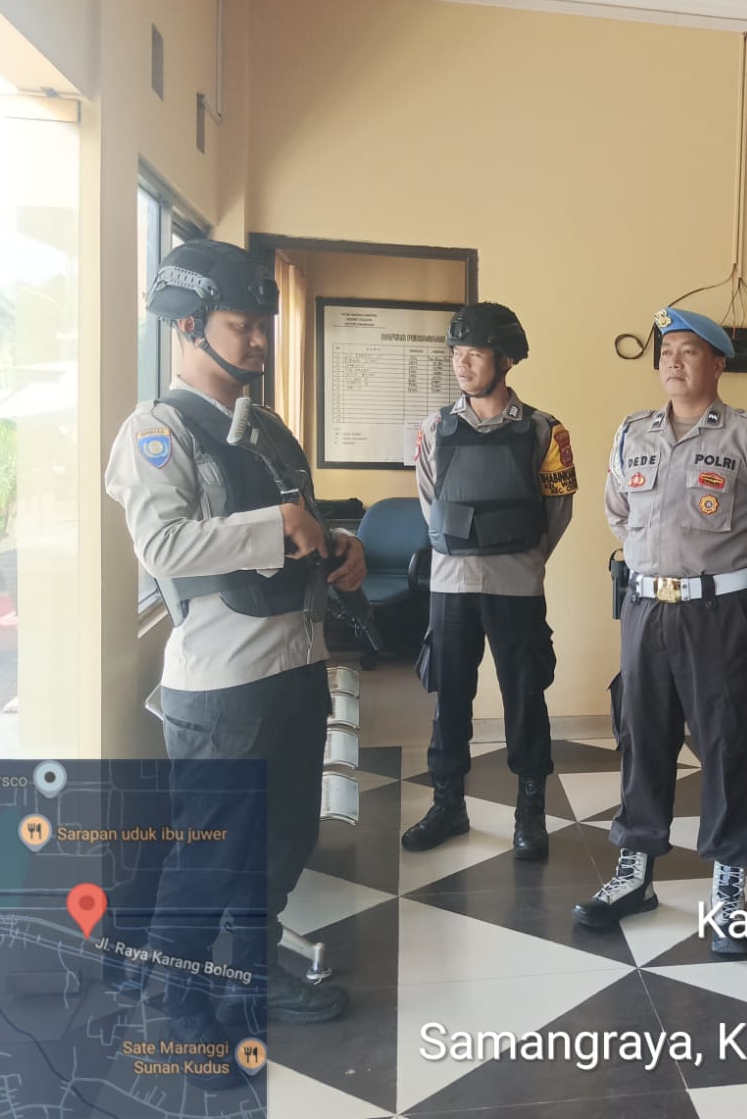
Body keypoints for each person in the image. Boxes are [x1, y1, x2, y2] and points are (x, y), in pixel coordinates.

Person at [105, 241, 360, 1062]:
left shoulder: (267, 428)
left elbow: (302, 516)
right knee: (209, 862)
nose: (257, 341)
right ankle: (176, 1009)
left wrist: (340, 544)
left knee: (284, 843)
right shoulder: (156, 431)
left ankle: (248, 972)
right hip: (222, 686)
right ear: (188, 326)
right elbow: (163, 545)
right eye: (240, 325)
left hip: (297, 663)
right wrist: (275, 528)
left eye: (261, 326)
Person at [572, 307, 747, 957]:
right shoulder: (632, 432)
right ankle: (635, 871)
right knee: (640, 737)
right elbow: (618, 512)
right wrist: (655, 562)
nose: (673, 363)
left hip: (718, 616)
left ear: (717, 363)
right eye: (665, 353)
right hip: (644, 611)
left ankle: (728, 886)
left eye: (687, 351)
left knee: (724, 743)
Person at [402, 302, 576, 859]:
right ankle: (448, 805)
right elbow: (430, 502)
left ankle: (530, 811)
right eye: (456, 353)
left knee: (525, 697)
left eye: (474, 353)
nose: (462, 363)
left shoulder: (545, 429)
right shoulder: (434, 428)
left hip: (515, 586)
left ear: (506, 360)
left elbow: (557, 512)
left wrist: (521, 558)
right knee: (449, 698)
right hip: (450, 586)